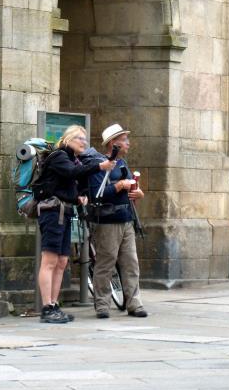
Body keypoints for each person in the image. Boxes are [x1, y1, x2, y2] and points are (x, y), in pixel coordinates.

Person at [35, 125, 116, 324]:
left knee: (61, 262)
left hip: (64, 211)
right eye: (80, 138)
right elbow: (72, 173)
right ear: (69, 138)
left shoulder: (72, 159)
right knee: (50, 261)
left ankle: (54, 304)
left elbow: (73, 181)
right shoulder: (59, 157)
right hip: (52, 212)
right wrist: (99, 166)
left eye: (85, 139)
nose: (84, 142)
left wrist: (80, 196)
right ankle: (46, 308)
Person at [85, 123, 147, 319]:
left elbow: (132, 190)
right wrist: (120, 185)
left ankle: (134, 303)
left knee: (131, 263)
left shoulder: (122, 164)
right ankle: (102, 305)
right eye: (124, 140)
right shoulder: (100, 164)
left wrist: (138, 192)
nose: (128, 143)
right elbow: (97, 194)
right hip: (107, 221)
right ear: (114, 143)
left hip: (126, 218)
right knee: (106, 263)